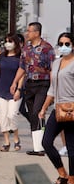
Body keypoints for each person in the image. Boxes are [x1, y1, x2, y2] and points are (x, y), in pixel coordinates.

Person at [10, 22, 55, 156]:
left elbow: (52, 69)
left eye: (29, 31)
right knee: (32, 114)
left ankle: (43, 145)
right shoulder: (26, 49)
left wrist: (53, 89)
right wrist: (15, 82)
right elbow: (22, 68)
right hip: (29, 85)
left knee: (37, 112)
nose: (27, 33)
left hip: (43, 84)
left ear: (36, 33)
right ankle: (38, 147)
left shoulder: (47, 48)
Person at [38, 32, 74, 184]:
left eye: (67, 43)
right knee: (46, 142)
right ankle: (63, 174)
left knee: (72, 147)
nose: (64, 46)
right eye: (61, 43)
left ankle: (72, 181)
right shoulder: (56, 63)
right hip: (58, 108)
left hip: (73, 109)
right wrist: (44, 108)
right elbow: (52, 88)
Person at [0, 33, 24, 151]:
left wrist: (19, 89)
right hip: (1, 89)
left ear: (16, 43)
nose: (7, 44)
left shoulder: (20, 58)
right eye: (6, 41)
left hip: (14, 91)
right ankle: (6, 142)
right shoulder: (2, 56)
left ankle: (16, 138)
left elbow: (22, 75)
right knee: (3, 116)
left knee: (12, 114)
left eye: (10, 41)